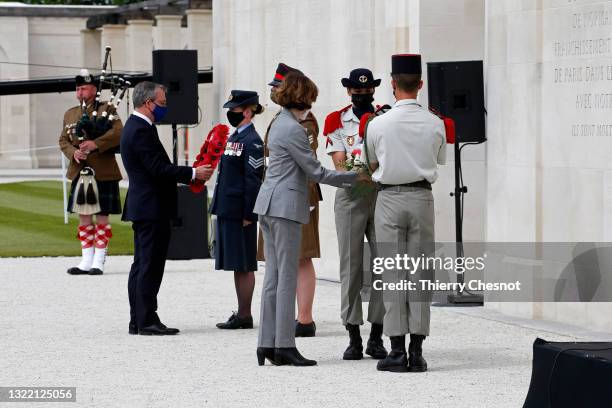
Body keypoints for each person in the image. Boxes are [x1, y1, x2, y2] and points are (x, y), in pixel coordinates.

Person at [254, 72, 363, 367]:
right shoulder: (294, 128)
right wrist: (355, 177)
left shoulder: (279, 122)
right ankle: (284, 345)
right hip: (285, 205)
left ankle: (268, 342)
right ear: (303, 97)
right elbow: (315, 171)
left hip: (270, 202)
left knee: (274, 278)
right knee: (286, 275)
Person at [364, 54, 446, 372]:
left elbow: (372, 163)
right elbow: (438, 159)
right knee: (421, 272)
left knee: (393, 273)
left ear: (393, 84)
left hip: (388, 198)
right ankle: (417, 350)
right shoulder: (435, 123)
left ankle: (396, 350)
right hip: (421, 197)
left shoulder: (378, 123)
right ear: (421, 85)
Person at [120, 81, 213, 336]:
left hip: (146, 205)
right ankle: (146, 319)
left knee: (142, 264)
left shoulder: (138, 126)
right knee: (149, 265)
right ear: (148, 103)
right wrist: (193, 172)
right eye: (161, 103)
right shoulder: (140, 129)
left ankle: (138, 318)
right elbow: (158, 169)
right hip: (151, 206)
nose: (164, 107)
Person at [324, 68, 387, 360]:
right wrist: (371, 169)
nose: (364, 95)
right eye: (358, 92)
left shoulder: (386, 117)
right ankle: (353, 335)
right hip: (351, 197)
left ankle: (376, 334)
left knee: (383, 266)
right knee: (351, 267)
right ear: (349, 91)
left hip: (381, 195)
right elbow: (340, 166)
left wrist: (364, 168)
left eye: (368, 91)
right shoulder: (335, 120)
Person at [256, 62, 323, 337]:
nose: (273, 91)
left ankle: (304, 319)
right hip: (279, 194)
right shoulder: (283, 117)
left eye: (277, 86)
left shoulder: (303, 120)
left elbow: (307, 163)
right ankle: (284, 322)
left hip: (298, 194)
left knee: (301, 257)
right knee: (280, 261)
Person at [59, 69, 123, 276]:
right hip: (80, 170)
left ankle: (99, 260)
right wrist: (74, 153)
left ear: (94, 89)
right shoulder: (70, 113)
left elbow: (118, 133)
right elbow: (63, 141)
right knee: (84, 216)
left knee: (102, 216)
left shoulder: (108, 109)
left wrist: (95, 144)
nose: (80, 92)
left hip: (103, 170)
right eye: (78, 89)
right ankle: (86, 260)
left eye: (84, 88)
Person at [210, 90, 265, 330]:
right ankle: (242, 312)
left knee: (244, 263)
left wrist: (248, 214)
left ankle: (245, 315)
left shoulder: (252, 141)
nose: (230, 113)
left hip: (240, 211)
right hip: (228, 207)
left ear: (247, 110)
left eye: (233, 110)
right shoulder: (236, 137)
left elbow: (253, 180)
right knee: (236, 263)